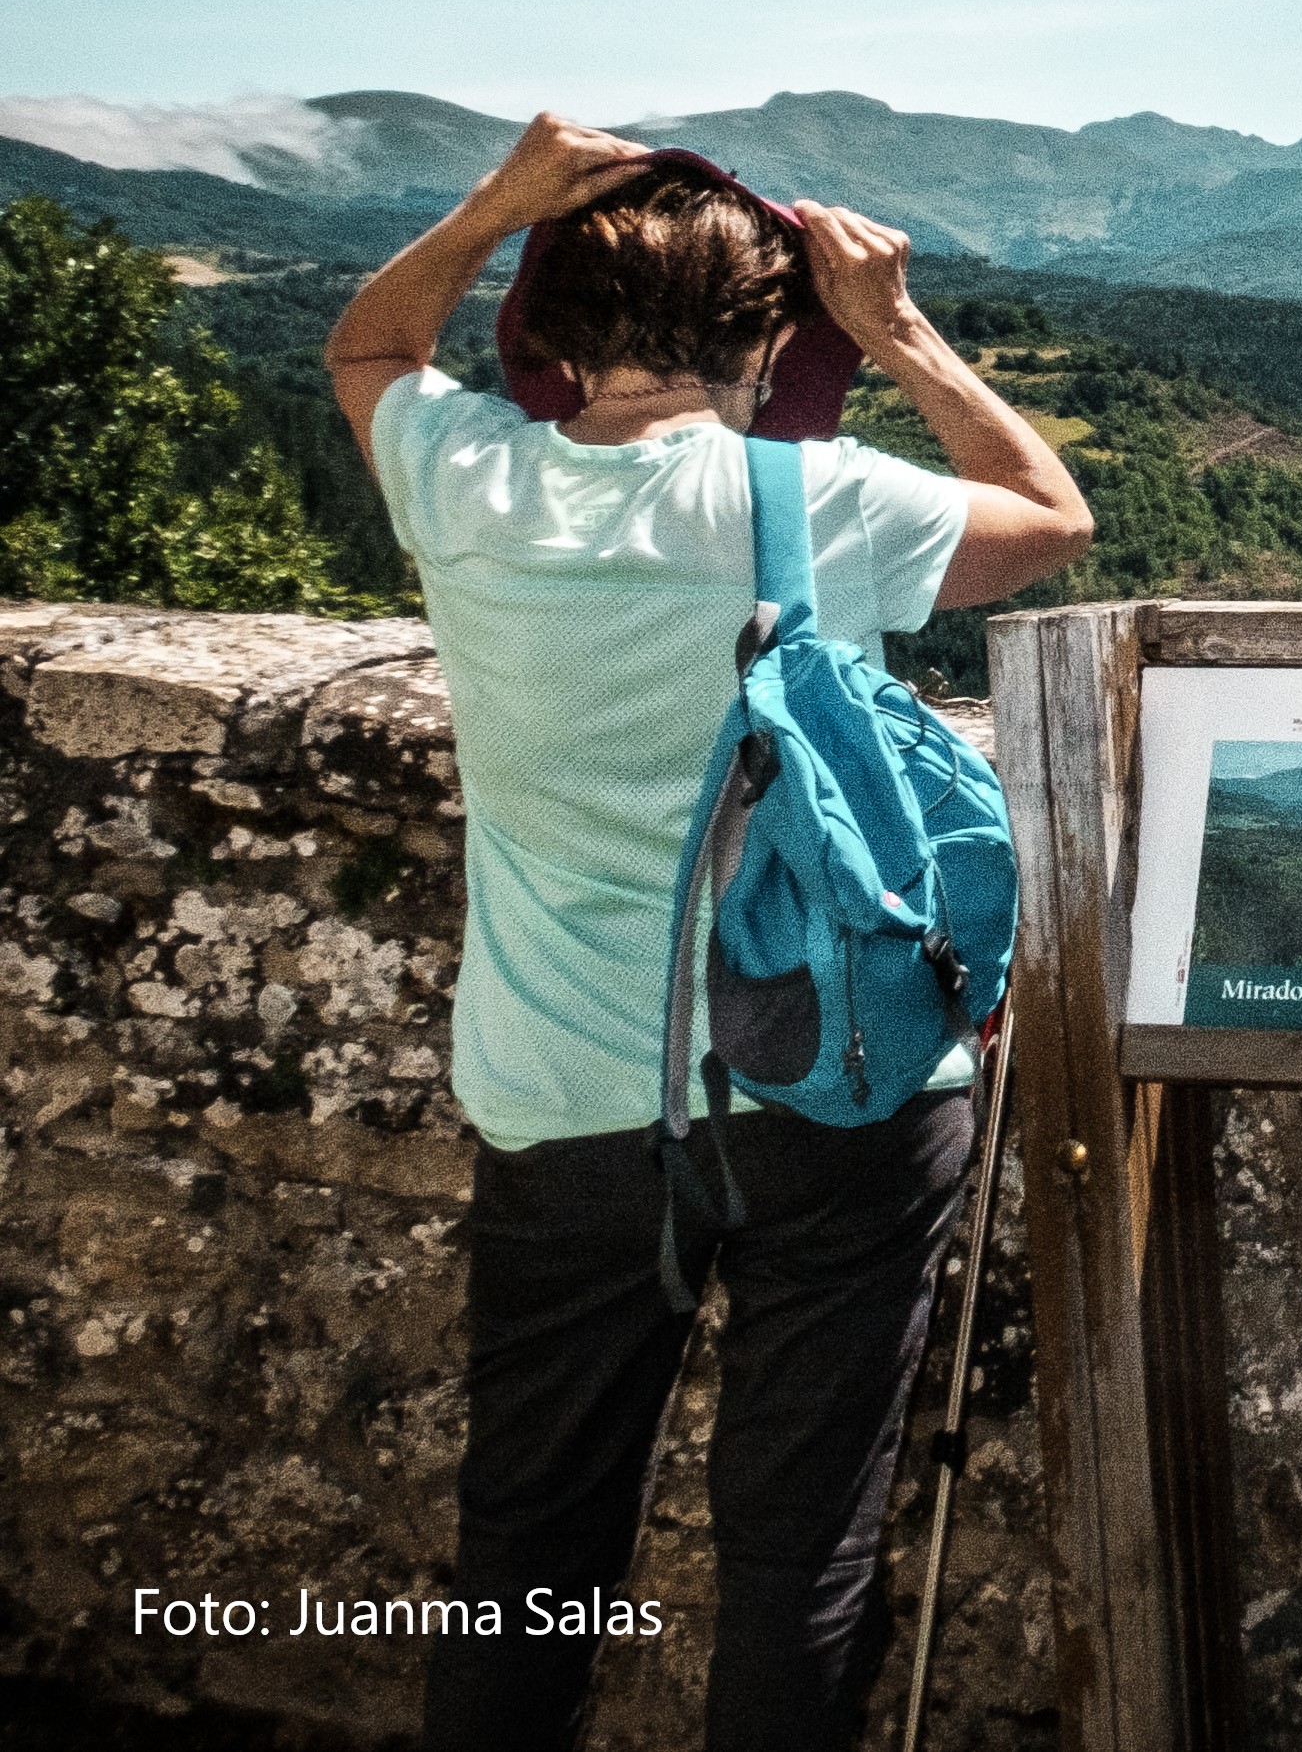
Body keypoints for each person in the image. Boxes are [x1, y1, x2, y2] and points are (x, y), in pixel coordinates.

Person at [324, 115, 1093, 1752]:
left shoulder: (461, 478)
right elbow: (1051, 514)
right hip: (840, 1088)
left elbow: (373, 342)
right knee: (798, 1550)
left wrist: (496, 202)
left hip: (569, 1102)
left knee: (528, 1552)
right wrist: (897, 329)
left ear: (548, 337)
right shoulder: (816, 499)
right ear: (764, 335)